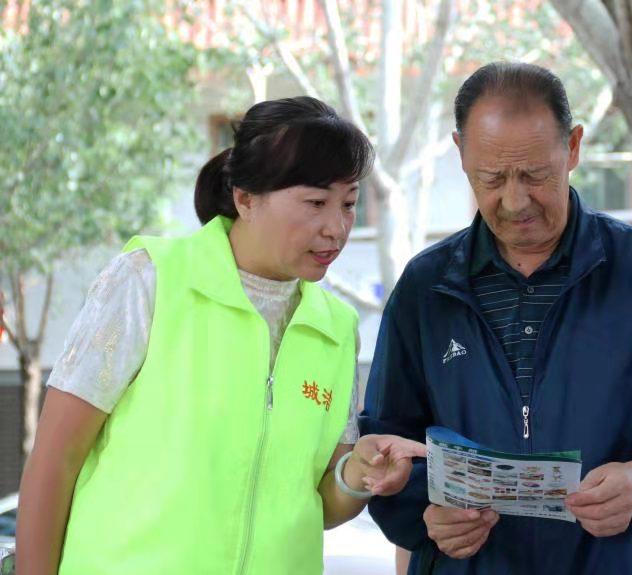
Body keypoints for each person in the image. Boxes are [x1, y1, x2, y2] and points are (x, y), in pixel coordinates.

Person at [359, 62, 632, 573]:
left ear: (574, 148)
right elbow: (387, 443)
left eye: (535, 175)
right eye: (491, 179)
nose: (515, 201)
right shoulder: (426, 288)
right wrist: (425, 512)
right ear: (460, 153)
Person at [15, 96, 425, 575]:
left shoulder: (336, 326)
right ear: (245, 198)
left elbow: (322, 502)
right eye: (316, 202)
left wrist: (360, 473)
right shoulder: (151, 278)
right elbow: (54, 459)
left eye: (350, 204)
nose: (336, 228)